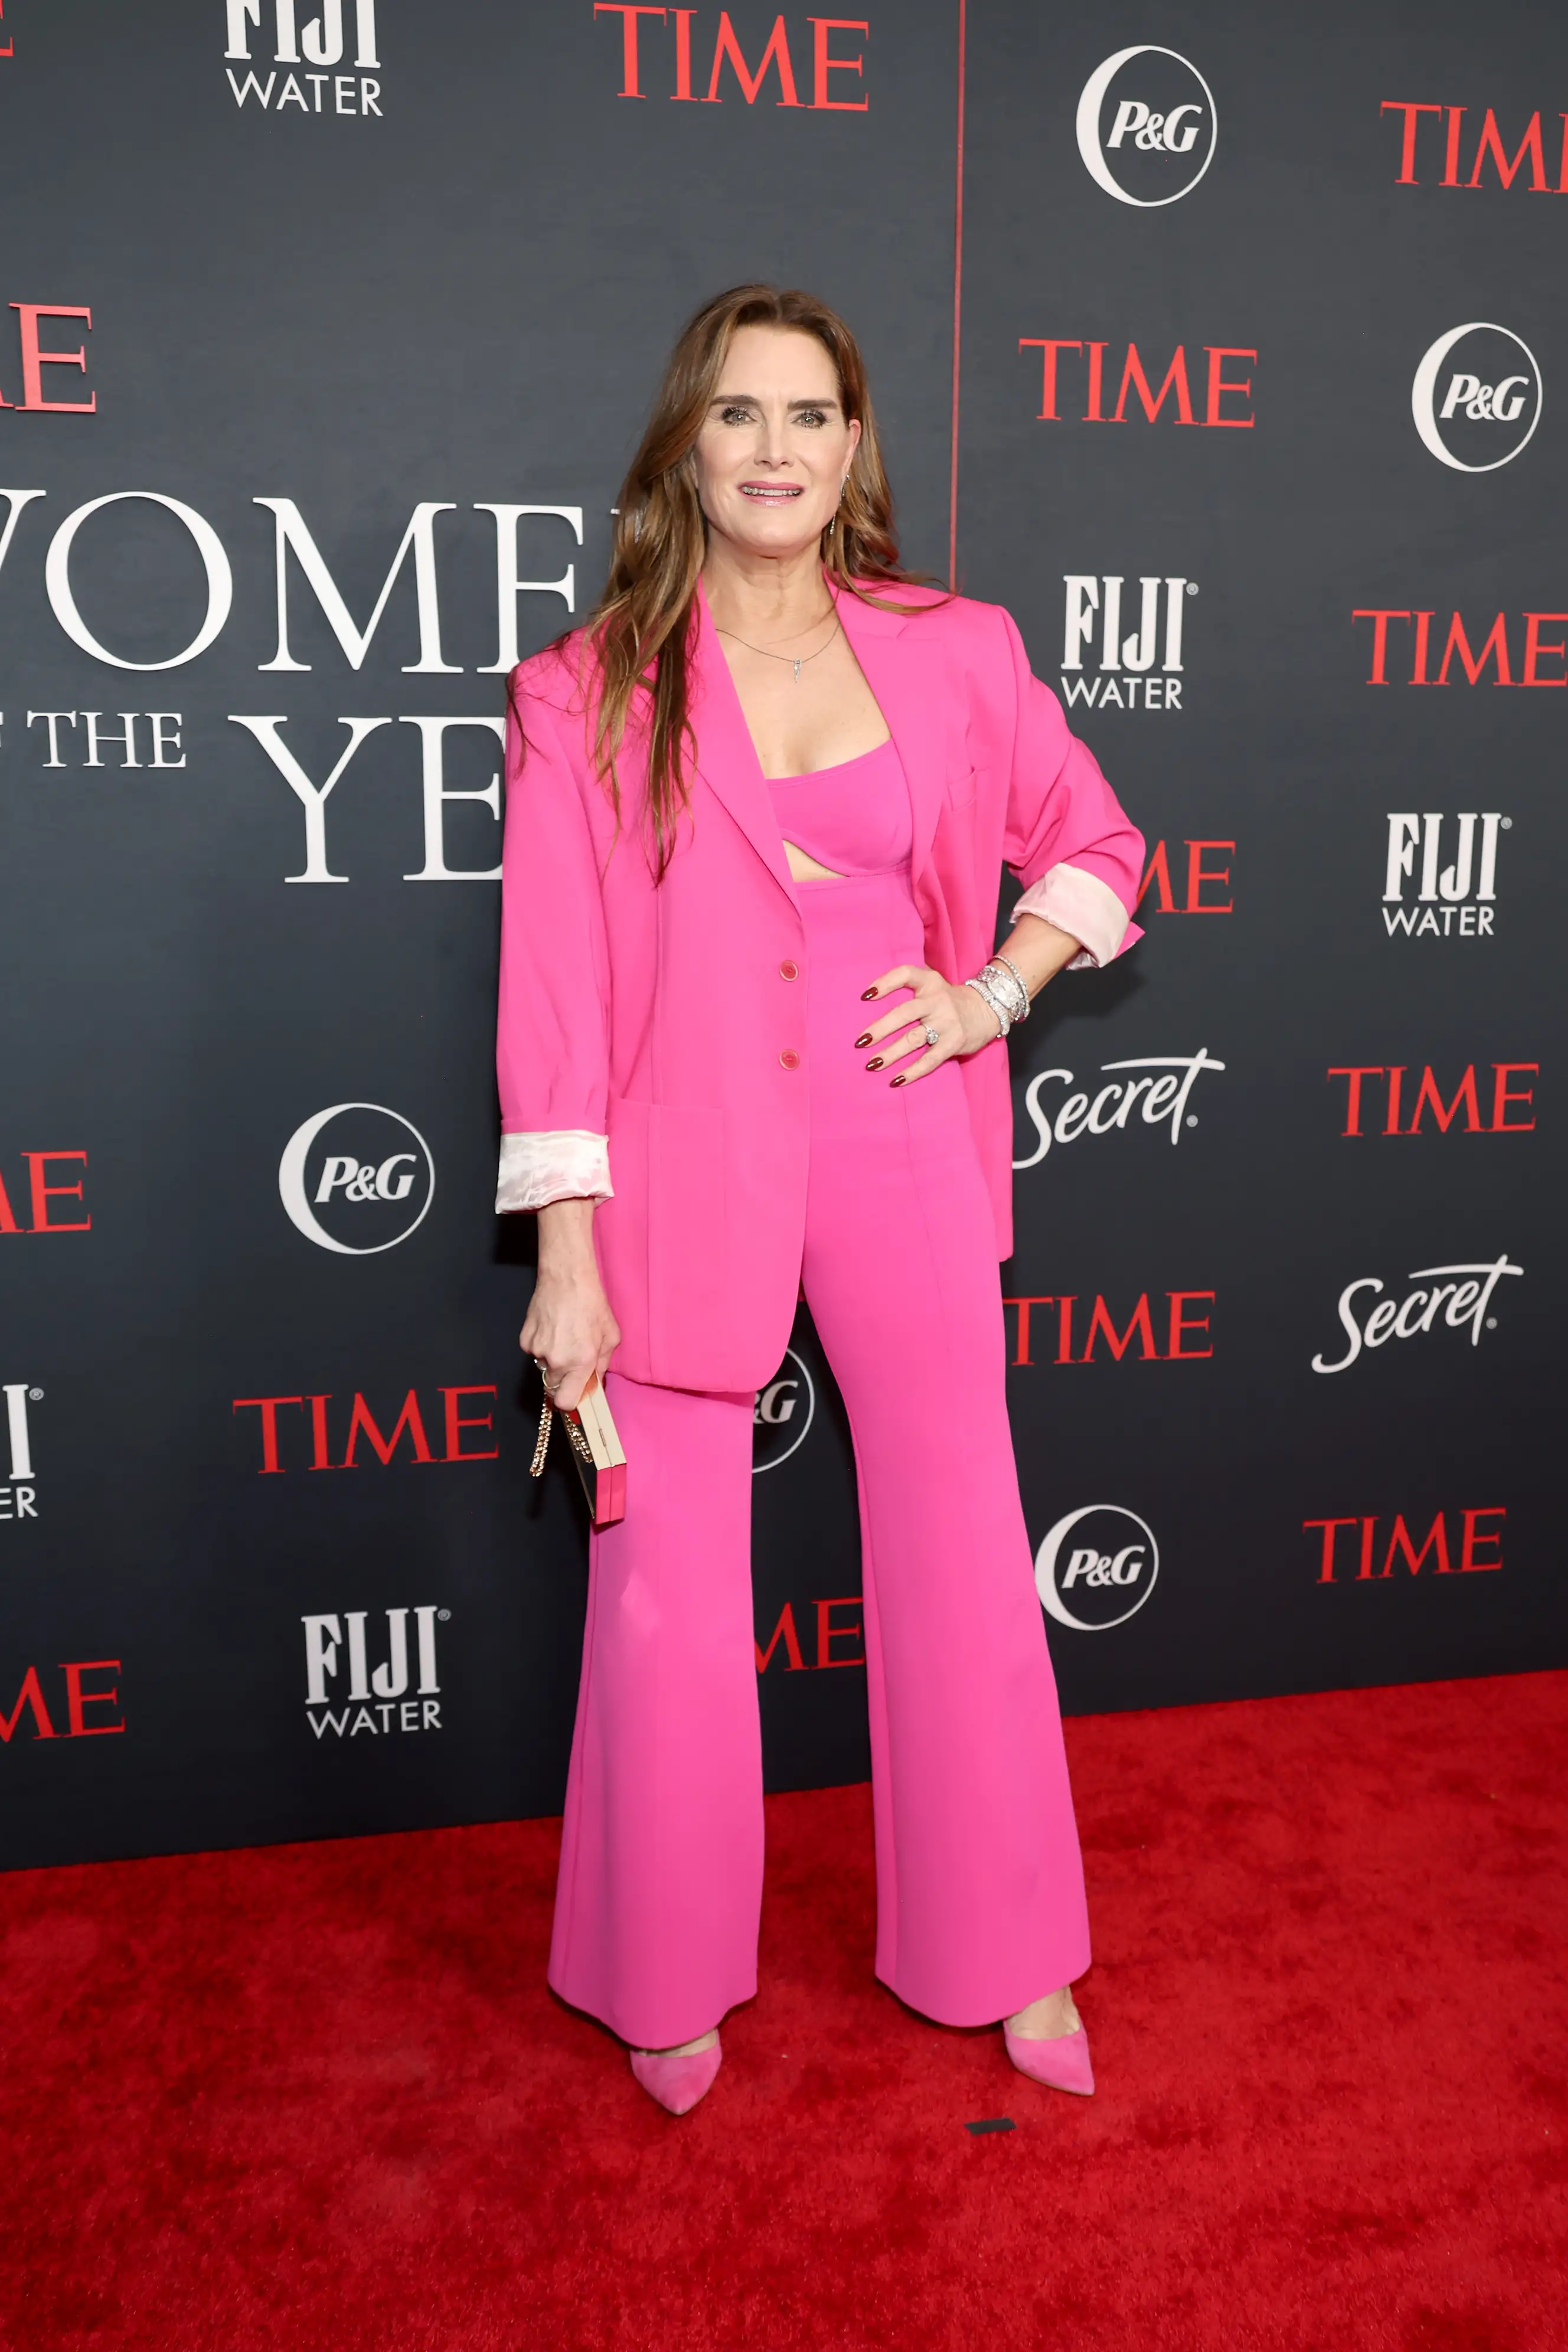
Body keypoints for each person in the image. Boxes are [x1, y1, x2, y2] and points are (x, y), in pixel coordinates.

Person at [496, 285, 1144, 2116]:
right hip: (681, 1156)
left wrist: (988, 995)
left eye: (810, 415)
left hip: (900, 1129)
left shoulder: (958, 650)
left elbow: (1097, 844)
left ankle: (1006, 1947)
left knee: (958, 1550)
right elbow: (555, 986)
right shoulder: (586, 685)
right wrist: (565, 1257)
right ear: (684, 450)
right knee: (667, 1588)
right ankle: (662, 1968)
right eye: (738, 416)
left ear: (856, 445)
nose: (775, 450)